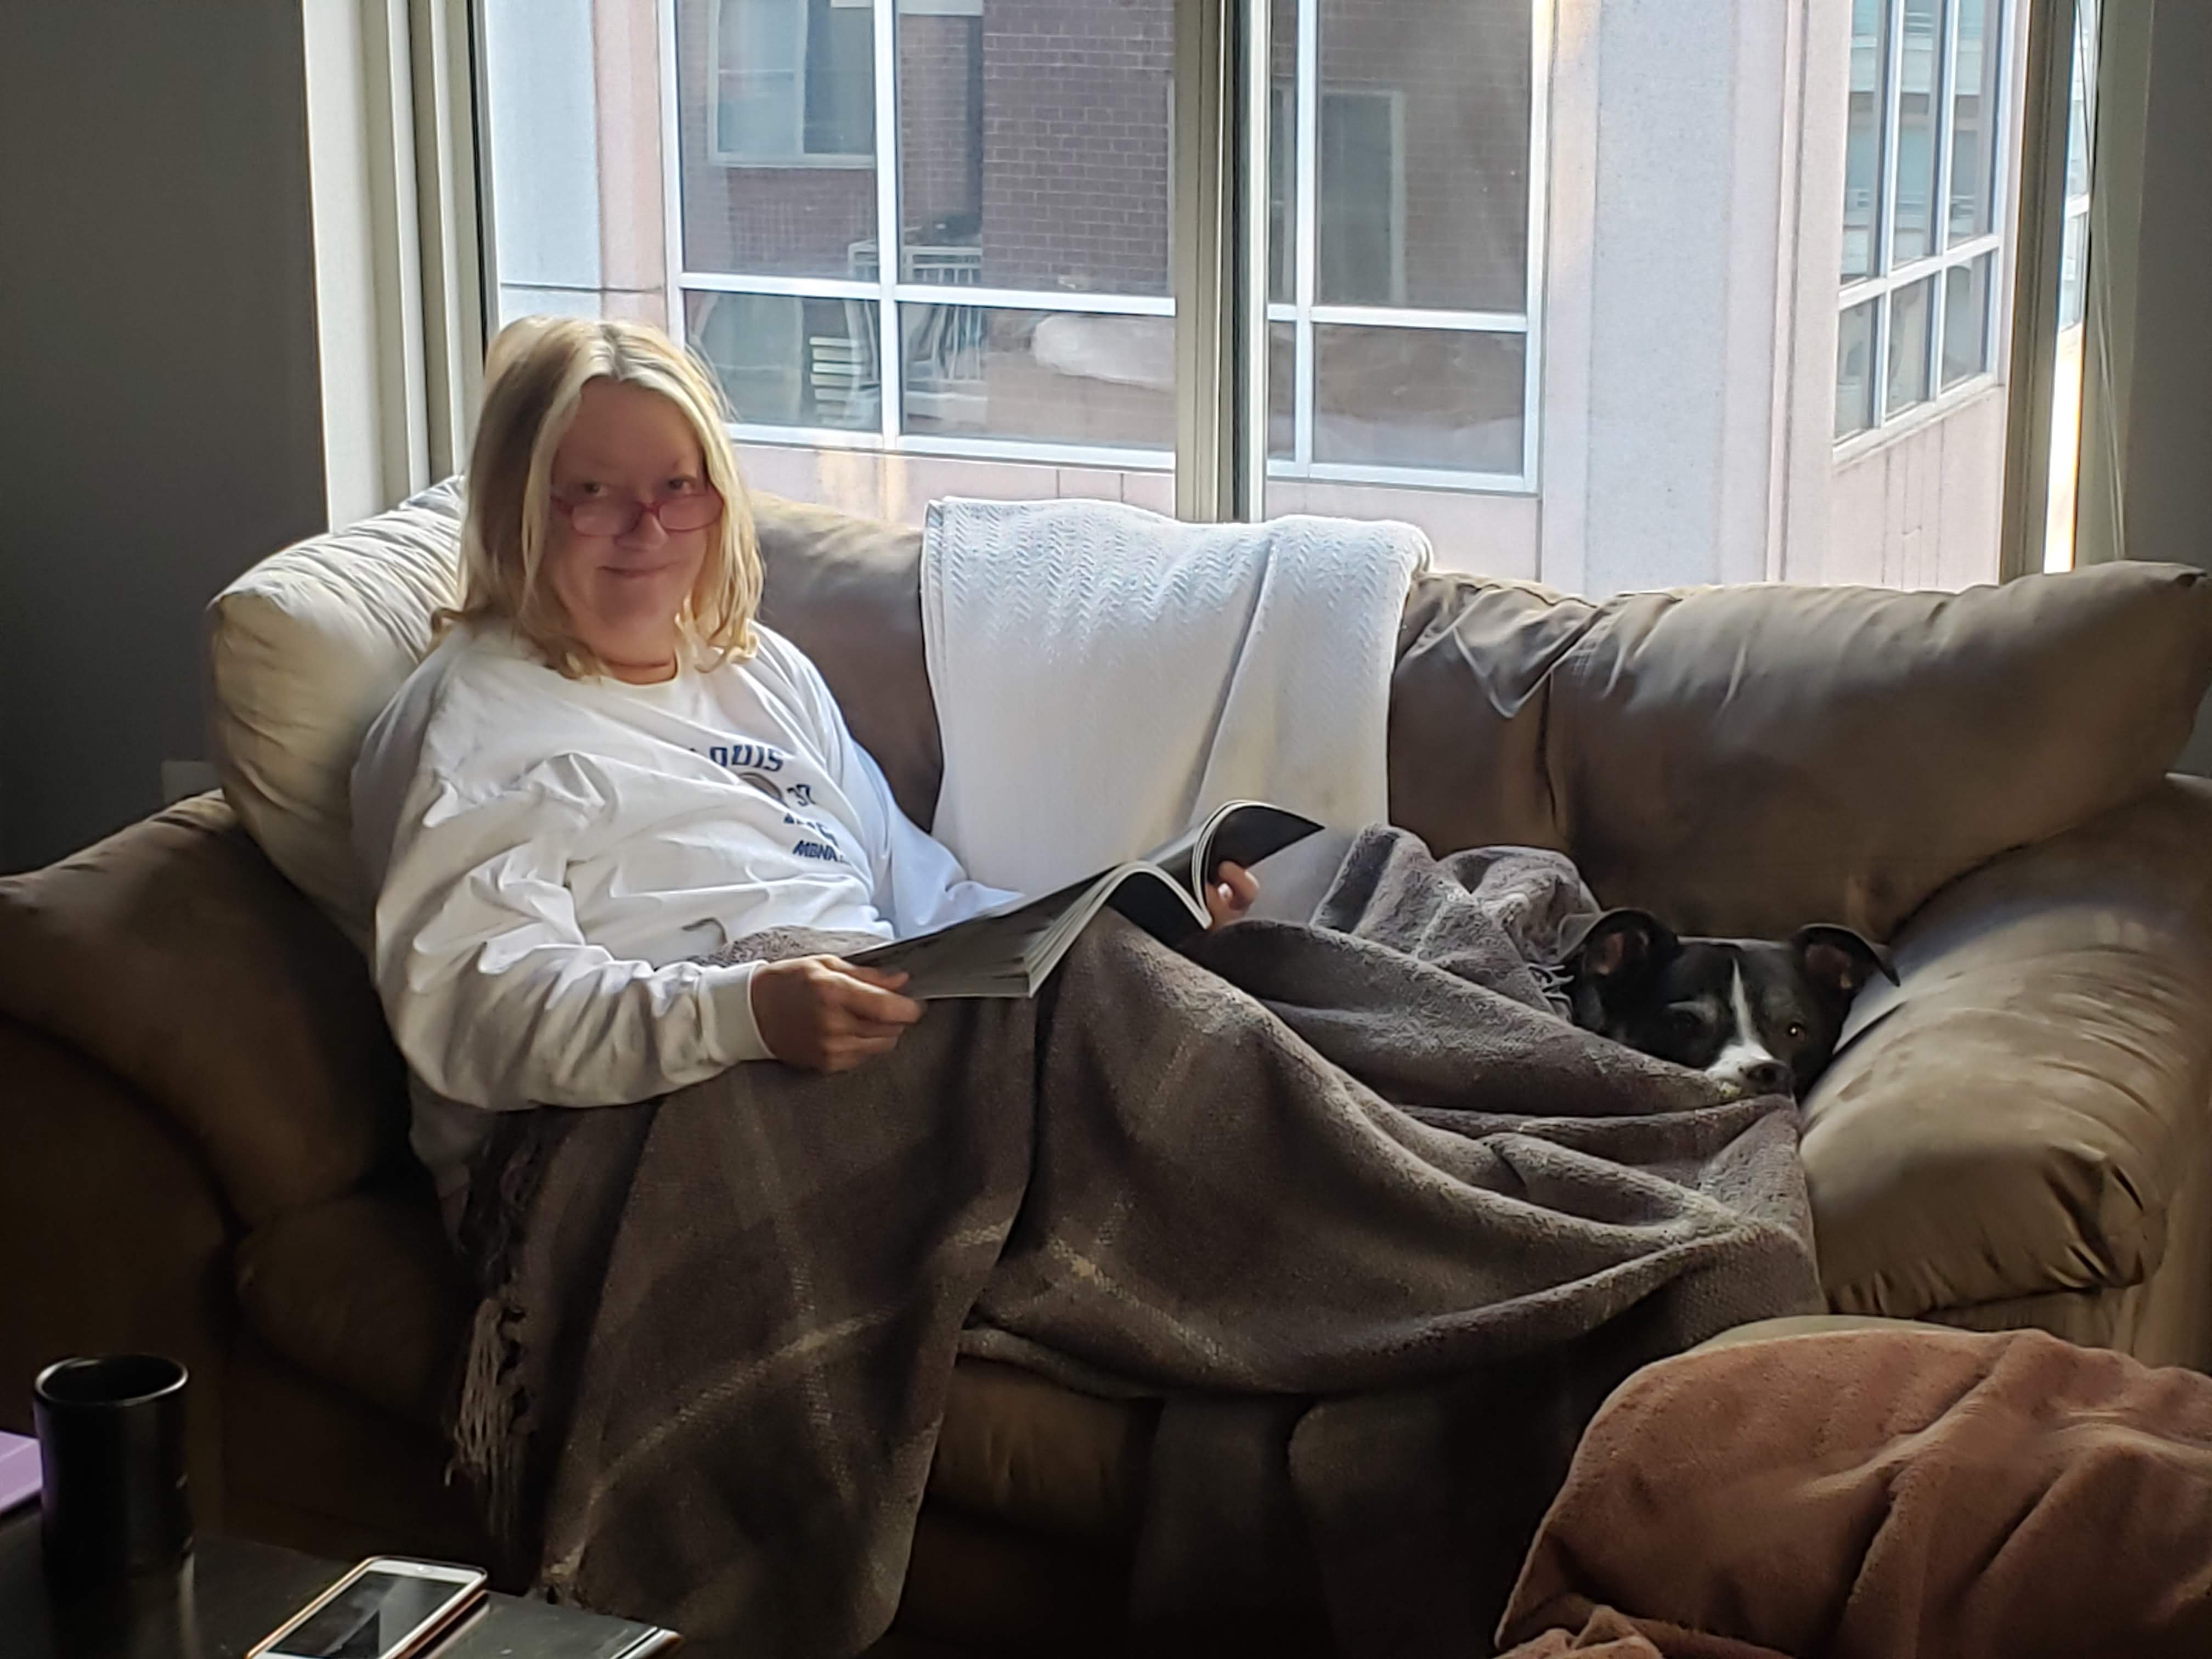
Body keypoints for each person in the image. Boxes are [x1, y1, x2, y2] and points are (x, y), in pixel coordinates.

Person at [351, 315, 1259, 1201]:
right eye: (592, 492)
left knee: (1197, 992)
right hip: (638, 1123)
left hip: (865, 1035)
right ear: (516, 505)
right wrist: (745, 1014)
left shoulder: (760, 672)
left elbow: (925, 905)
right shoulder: (474, 723)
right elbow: (475, 1009)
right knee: (1150, 1094)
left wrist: (1130, 923)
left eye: (678, 487)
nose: (647, 529)